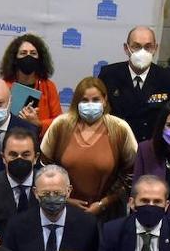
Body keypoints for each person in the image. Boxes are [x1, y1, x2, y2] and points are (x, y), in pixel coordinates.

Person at [40, 76, 138, 219]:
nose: (90, 104)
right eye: (85, 100)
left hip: (108, 214)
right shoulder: (61, 125)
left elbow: (131, 172)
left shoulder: (120, 128)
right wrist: (64, 199)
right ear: (76, 102)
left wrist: (104, 203)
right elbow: (44, 167)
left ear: (105, 100)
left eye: (96, 100)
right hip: (62, 212)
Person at [3, 165, 100, 251]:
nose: (52, 198)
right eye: (46, 193)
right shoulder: (17, 226)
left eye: (57, 193)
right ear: (35, 193)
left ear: (68, 191)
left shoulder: (88, 225)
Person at [99, 26, 170, 142]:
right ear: (126, 48)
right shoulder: (109, 74)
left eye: (148, 47)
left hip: (152, 148)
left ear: (155, 48)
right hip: (116, 144)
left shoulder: (168, 79)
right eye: (136, 46)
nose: (142, 51)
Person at [0, 34, 62, 135]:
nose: (28, 56)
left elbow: (59, 122)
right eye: (23, 53)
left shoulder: (48, 86)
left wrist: (38, 124)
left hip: (40, 144)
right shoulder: (4, 86)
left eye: (33, 53)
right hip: (9, 141)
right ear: (15, 59)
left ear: (40, 58)